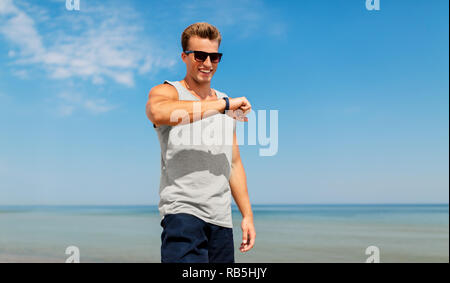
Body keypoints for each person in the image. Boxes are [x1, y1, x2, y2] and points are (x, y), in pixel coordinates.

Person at [145, 22, 255, 263]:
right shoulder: (169, 92)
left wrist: (247, 215)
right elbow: (157, 111)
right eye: (200, 56)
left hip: (221, 220)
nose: (207, 64)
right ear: (185, 57)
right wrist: (224, 105)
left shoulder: (226, 104)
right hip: (183, 214)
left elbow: (234, 163)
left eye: (214, 57)